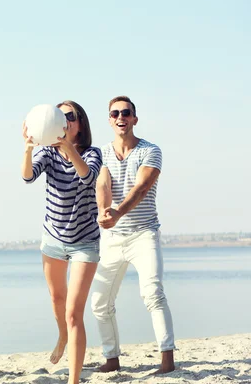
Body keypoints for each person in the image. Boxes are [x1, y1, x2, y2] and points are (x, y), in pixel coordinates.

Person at [91, 95, 176, 374]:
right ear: (109, 120)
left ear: (134, 119)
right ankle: (112, 358)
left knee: (152, 292)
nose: (120, 117)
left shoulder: (151, 150)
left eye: (126, 113)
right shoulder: (102, 152)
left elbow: (140, 189)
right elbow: (102, 183)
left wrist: (117, 213)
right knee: (100, 303)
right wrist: (105, 211)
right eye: (115, 113)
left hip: (143, 234)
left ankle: (167, 359)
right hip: (113, 239)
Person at [22, 101, 102, 384]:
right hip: (53, 238)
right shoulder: (47, 154)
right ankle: (62, 336)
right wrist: (29, 147)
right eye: (60, 116)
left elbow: (87, 176)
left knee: (73, 312)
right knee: (57, 299)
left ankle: (74, 379)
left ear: (80, 123)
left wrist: (68, 147)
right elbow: (28, 176)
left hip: (84, 242)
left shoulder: (93, 153)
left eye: (69, 116)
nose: (64, 121)